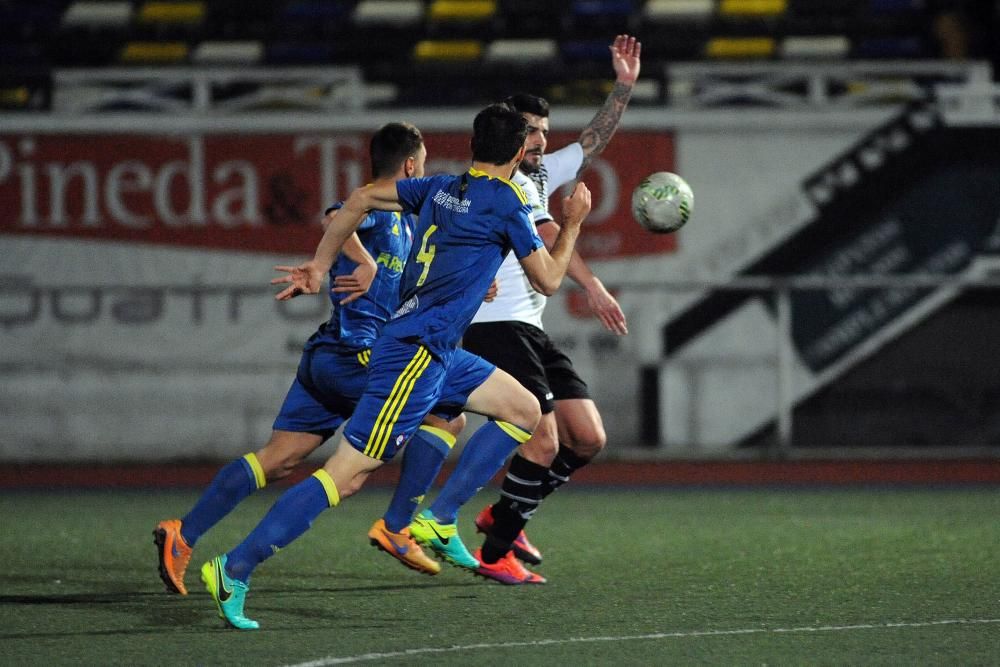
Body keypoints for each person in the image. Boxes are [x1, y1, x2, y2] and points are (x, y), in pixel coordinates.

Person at [200, 103, 592, 630]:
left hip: (439, 348)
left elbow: (359, 198)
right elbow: (547, 279)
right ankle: (235, 567)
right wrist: (571, 225)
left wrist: (320, 264)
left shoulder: (436, 188)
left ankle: (439, 517)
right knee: (348, 474)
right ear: (520, 151)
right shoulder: (508, 202)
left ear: (474, 145)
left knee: (523, 408)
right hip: (415, 354)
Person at [152, 122, 461, 595]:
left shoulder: (406, 219)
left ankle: (183, 534)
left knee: (277, 461)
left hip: (328, 355)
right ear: (411, 165)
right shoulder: (376, 206)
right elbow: (334, 214)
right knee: (443, 416)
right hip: (357, 357)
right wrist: (363, 260)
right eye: (425, 160)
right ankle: (398, 527)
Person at [411, 34, 641, 581]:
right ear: (512, 136)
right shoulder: (502, 184)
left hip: (526, 326)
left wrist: (625, 87)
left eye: (543, 130)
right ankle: (491, 547)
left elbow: (591, 143)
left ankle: (504, 517)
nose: (540, 139)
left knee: (587, 439)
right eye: (530, 131)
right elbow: (548, 236)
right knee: (540, 436)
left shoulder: (539, 173)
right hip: (493, 326)